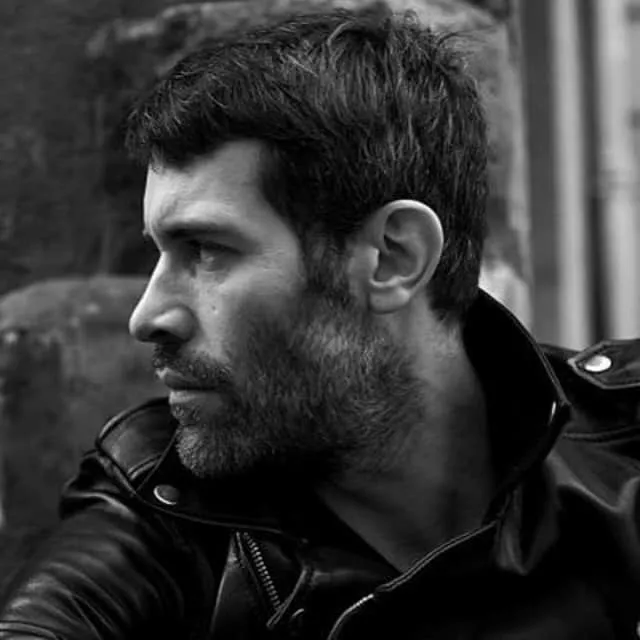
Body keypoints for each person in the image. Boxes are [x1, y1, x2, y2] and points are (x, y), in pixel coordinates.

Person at [1, 8, 640, 639]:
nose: (147, 316)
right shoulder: (157, 516)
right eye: (159, 253)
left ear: (393, 257)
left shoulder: (623, 452)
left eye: (208, 250)